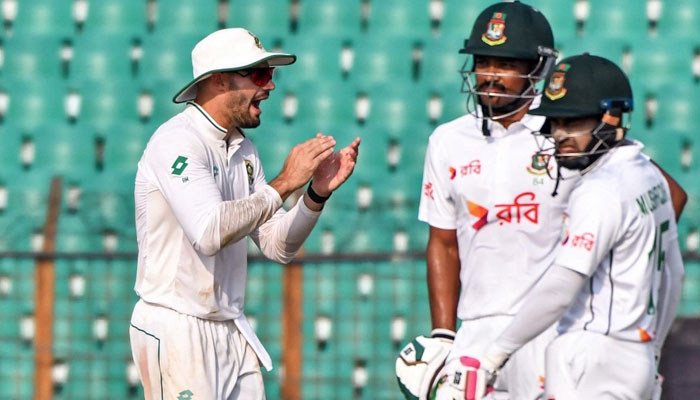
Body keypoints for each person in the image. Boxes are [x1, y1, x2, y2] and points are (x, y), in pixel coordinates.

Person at [395, 2, 686, 399]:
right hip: (476, 329)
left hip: (552, 328)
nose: (491, 75)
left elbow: (667, 195)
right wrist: (444, 336)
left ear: (538, 67)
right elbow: (443, 244)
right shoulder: (447, 141)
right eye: (483, 61)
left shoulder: (566, 128)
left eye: (506, 63)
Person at [129, 28, 360, 399]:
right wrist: (285, 183)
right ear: (218, 80)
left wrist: (315, 194)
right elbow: (208, 232)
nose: (269, 87)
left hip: (229, 328)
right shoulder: (177, 142)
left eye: (270, 75)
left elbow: (276, 246)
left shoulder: (243, 149)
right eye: (258, 75)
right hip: (176, 325)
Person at [474, 54, 684, 400]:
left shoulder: (601, 188)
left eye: (573, 123)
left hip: (592, 358)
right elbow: (674, 275)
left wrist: (495, 354)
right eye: (556, 123)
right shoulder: (649, 175)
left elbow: (561, 287)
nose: (560, 135)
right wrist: (654, 347)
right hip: (638, 356)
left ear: (611, 117)